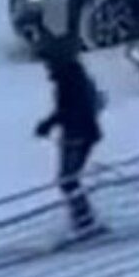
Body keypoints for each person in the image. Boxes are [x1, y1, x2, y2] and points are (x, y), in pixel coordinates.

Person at [34, 37, 104, 234]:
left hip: (78, 134)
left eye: (48, 62)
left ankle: (85, 221)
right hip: (79, 133)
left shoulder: (69, 81)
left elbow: (69, 109)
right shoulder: (72, 78)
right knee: (68, 179)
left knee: (68, 179)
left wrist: (48, 124)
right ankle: (83, 219)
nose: (47, 68)